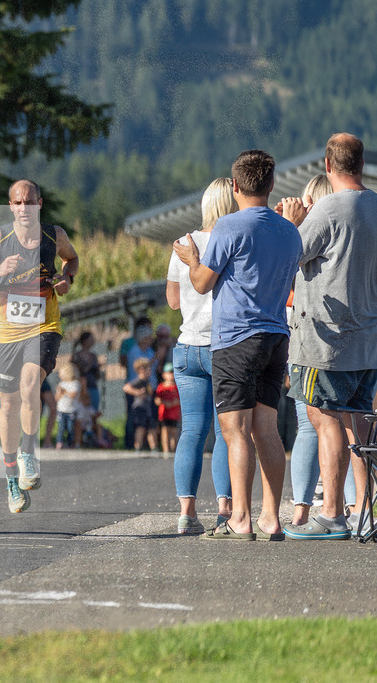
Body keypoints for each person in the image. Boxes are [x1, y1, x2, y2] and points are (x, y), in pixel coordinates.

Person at [173, 149, 301, 541]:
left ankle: (241, 518)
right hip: (277, 335)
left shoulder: (229, 227)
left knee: (235, 431)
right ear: (272, 184)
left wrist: (192, 258)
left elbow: (200, 283)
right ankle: (272, 519)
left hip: (235, 338)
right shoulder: (289, 230)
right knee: (268, 429)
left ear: (235, 186)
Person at [0, 179, 79, 513]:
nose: (24, 208)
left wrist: (67, 280)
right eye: (17, 202)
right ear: (10, 206)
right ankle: (11, 479)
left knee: (30, 384)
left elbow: (72, 260)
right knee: (7, 404)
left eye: (29, 201)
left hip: (44, 326)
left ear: (40, 203)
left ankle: (29, 454)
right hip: (7, 332)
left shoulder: (56, 235)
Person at [277, 134, 377, 540]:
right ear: (361, 162)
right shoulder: (374, 205)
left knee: (324, 416)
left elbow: (287, 257)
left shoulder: (327, 210)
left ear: (327, 164)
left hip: (326, 339)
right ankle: (363, 510)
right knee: (359, 423)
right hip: (368, 337)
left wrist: (291, 222)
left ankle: (332, 513)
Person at [165, 177, 236, 534]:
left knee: (191, 430)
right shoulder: (234, 241)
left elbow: (174, 301)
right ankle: (225, 511)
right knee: (226, 433)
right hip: (222, 347)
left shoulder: (183, 243)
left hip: (186, 347)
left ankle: (187, 513)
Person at [283, 173, 332, 527]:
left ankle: (302, 509)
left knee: (308, 423)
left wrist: (290, 225)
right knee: (345, 425)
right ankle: (342, 504)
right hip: (352, 339)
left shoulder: (311, 232)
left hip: (311, 340)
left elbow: (283, 270)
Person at [123, 358, 157, 452]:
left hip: (148, 407)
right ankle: (137, 446)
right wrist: (138, 392)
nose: (150, 371)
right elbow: (126, 388)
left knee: (151, 427)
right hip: (140, 408)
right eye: (148, 369)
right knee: (140, 427)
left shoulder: (147, 381)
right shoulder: (139, 380)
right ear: (141, 370)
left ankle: (153, 447)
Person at [71, 331, 101, 412]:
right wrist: (89, 366)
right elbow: (77, 371)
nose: (93, 341)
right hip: (81, 388)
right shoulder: (77, 356)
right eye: (91, 339)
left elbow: (98, 375)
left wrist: (98, 369)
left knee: (93, 412)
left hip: (93, 386)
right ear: (85, 341)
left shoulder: (93, 355)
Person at [155, 364, 180, 453]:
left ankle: (174, 450)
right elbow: (157, 399)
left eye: (173, 373)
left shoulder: (177, 387)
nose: (171, 375)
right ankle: (166, 450)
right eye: (169, 373)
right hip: (164, 414)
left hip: (174, 414)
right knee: (165, 431)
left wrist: (174, 403)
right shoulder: (161, 387)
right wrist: (165, 403)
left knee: (174, 432)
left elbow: (180, 400)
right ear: (164, 375)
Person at [54, 363, 80, 449]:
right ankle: (59, 442)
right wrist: (59, 392)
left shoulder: (75, 383)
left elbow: (73, 395)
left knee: (70, 428)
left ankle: (70, 443)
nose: (60, 375)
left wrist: (64, 391)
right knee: (61, 428)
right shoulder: (61, 384)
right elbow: (56, 398)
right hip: (61, 409)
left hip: (71, 410)